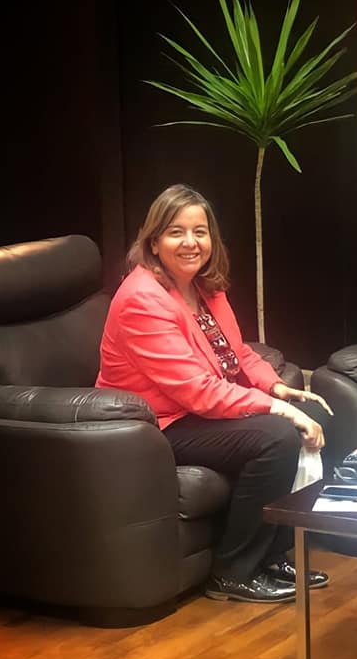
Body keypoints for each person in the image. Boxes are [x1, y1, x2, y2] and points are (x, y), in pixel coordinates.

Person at [97, 183, 333, 603]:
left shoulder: (204, 286)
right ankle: (233, 572)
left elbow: (237, 353)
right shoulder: (142, 300)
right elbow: (197, 391)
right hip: (154, 425)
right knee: (277, 436)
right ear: (154, 242)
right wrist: (277, 409)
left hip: (194, 411)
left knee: (309, 412)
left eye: (200, 232)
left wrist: (277, 388)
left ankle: (273, 554)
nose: (190, 242)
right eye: (176, 232)